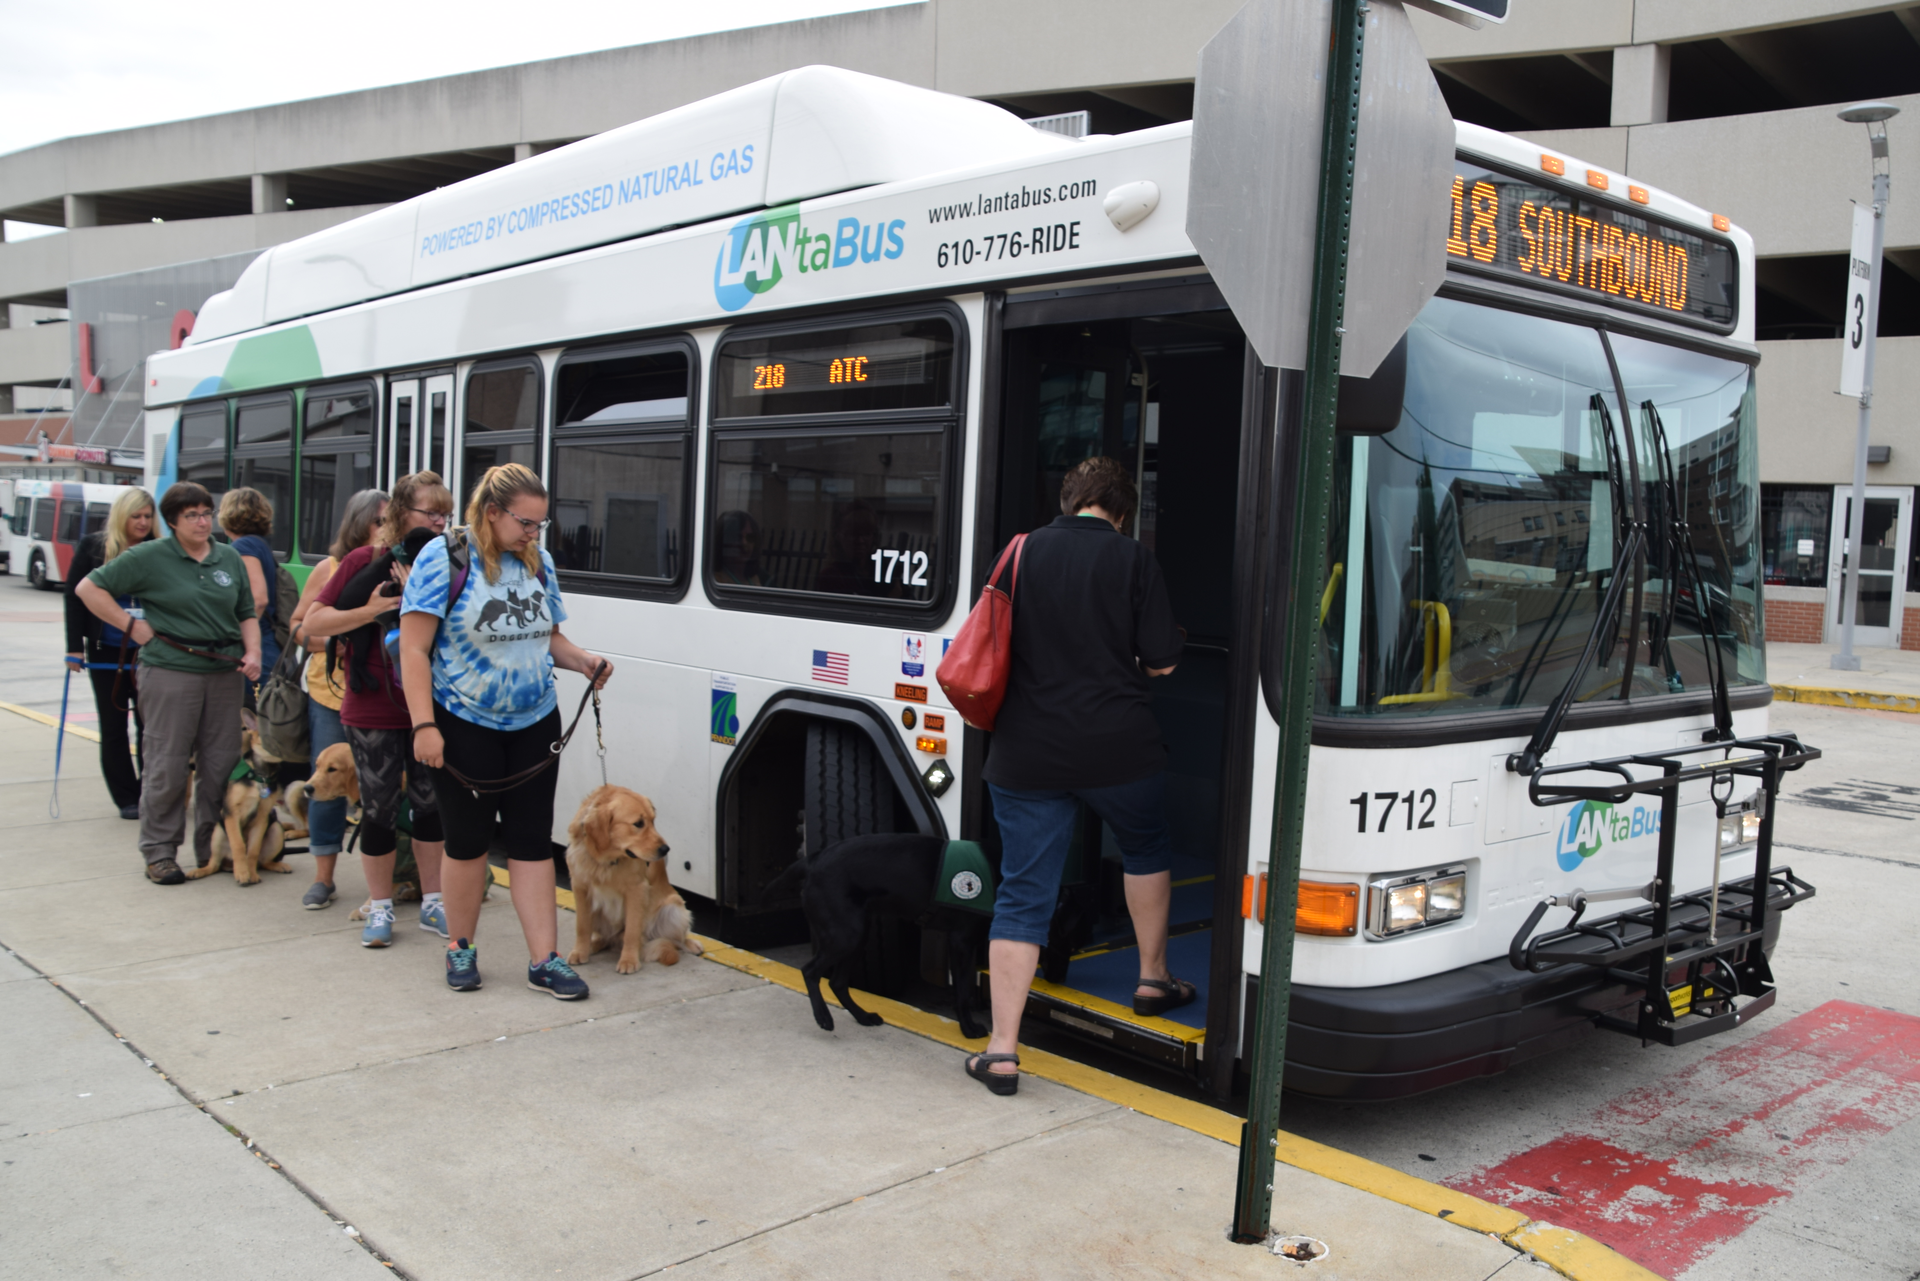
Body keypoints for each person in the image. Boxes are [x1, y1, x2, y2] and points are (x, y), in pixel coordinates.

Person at [966, 456, 1186, 1095]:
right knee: (1145, 847)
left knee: (1023, 892)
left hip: (1027, 751)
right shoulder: (1134, 560)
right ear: (1121, 508)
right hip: (1120, 748)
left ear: (1071, 499)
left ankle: (1002, 1051)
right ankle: (1153, 977)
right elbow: (1164, 663)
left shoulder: (1021, 553)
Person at [399, 463, 612, 998]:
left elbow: (548, 638)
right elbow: (414, 650)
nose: (533, 534)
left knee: (531, 843)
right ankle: (460, 946)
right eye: (525, 523)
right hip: (461, 720)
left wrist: (584, 660)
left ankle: (545, 960)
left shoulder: (538, 562)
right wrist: (424, 724)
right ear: (491, 513)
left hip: (535, 720)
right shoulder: (443, 558)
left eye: (540, 525)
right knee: (467, 842)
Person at [75, 482, 261, 885]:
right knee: (167, 763)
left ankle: (211, 850)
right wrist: (131, 625)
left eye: (206, 512)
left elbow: (247, 611)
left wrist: (253, 652)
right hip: (171, 670)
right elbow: (88, 588)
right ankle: (160, 852)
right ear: (173, 521)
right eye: (191, 515)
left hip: (224, 670)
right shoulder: (150, 556)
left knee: (220, 764)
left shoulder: (228, 557)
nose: (201, 521)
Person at [302, 473, 452, 946]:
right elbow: (312, 625)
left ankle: (433, 904)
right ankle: (380, 908)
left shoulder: (450, 561)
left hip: (430, 705)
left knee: (431, 810)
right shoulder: (362, 561)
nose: (439, 522)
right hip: (372, 705)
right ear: (398, 513)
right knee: (379, 810)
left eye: (444, 514)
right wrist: (371, 609)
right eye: (430, 513)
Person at [285, 487, 387, 909]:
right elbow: (297, 628)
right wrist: (335, 643)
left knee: (384, 792)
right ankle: (324, 878)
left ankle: (395, 882)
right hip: (333, 694)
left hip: (384, 698)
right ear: (360, 523)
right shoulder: (330, 568)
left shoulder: (402, 568)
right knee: (325, 783)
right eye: (381, 520)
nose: (387, 528)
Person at [64, 488, 157, 820]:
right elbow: (74, 597)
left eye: (148, 516)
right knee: (114, 725)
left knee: (151, 727)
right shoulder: (93, 547)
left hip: (150, 652)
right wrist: (74, 647)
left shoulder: (159, 548)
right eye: (136, 516)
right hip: (107, 651)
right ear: (122, 517)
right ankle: (126, 797)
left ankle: (152, 793)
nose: (143, 522)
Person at [219, 487, 283, 682]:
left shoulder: (243, 546)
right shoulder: (259, 543)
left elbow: (258, 600)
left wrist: (237, 636)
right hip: (267, 642)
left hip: (257, 643)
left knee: (251, 709)